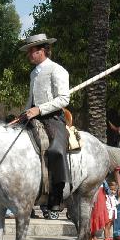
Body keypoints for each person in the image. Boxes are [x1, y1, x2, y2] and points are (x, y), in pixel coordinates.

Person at [19, 33, 70, 212]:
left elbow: (64, 99)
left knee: (56, 150)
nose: (28, 55)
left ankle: (57, 195)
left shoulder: (57, 70)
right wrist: (24, 113)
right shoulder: (33, 73)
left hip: (53, 117)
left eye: (31, 51)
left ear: (42, 51)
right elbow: (31, 100)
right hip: (32, 116)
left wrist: (39, 109)